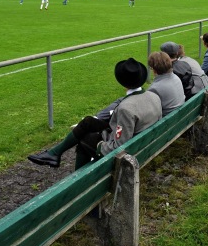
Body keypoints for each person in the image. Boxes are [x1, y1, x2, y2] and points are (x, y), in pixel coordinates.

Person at [27, 58, 162, 170]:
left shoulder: (126, 108)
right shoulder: (153, 95)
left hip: (129, 153)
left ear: (121, 81)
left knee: (85, 139)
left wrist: (99, 146)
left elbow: (119, 147)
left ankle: (77, 180)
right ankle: (54, 154)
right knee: (88, 122)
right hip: (146, 141)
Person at [147, 52, 185, 116]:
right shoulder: (176, 77)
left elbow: (150, 114)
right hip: (181, 117)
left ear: (154, 70)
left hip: (169, 123)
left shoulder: (154, 88)